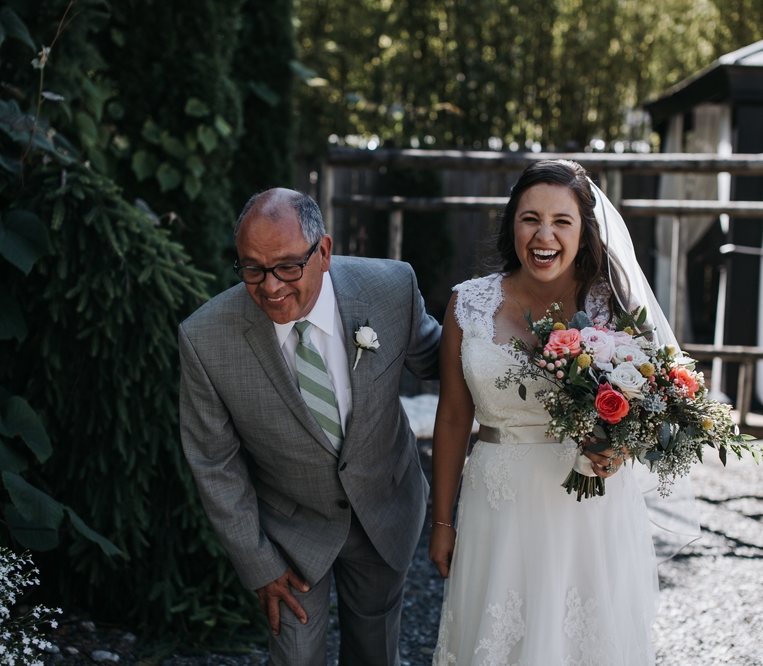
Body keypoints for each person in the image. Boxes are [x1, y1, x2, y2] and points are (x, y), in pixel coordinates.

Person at [428, 160, 695, 665]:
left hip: (589, 509)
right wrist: (442, 523)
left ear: (583, 231)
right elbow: (452, 418)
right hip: (497, 506)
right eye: (530, 218)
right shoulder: (469, 304)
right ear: (512, 225)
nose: (543, 234)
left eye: (561, 221)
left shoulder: (613, 307)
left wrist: (619, 449)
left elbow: (649, 406)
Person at [178, 188, 441, 666]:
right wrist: (259, 564)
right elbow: (214, 463)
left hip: (384, 510)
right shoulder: (204, 338)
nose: (271, 286)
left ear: (323, 252)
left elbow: (448, 363)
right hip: (289, 533)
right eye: (251, 268)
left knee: (375, 654)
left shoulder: (391, 288)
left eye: (286, 266)